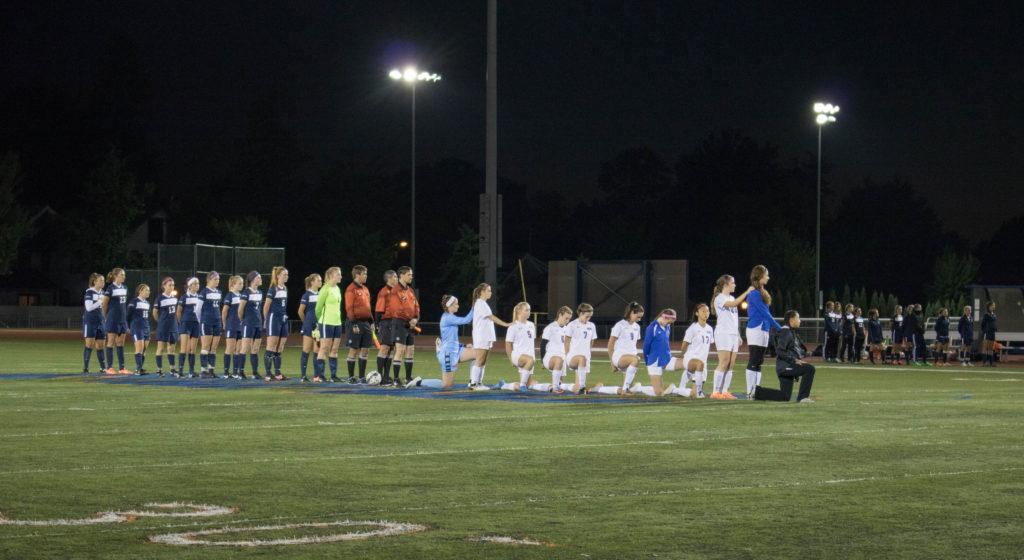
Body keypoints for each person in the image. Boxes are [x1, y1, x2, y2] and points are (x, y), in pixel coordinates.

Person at [406, 294, 474, 389]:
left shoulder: (450, 317)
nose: (458, 306)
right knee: (446, 385)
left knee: (477, 353)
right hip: (448, 353)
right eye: (456, 304)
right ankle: (419, 381)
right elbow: (467, 320)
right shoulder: (448, 318)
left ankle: (474, 383)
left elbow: (451, 339)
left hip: (455, 350)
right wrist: (475, 306)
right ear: (449, 306)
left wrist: (464, 345)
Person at [753, 310, 815, 403]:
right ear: (792, 320)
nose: (800, 321)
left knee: (784, 396)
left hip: (785, 367)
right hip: (785, 367)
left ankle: (757, 392)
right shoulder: (785, 332)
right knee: (809, 369)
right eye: (798, 318)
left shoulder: (789, 331)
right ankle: (803, 397)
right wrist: (794, 360)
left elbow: (794, 350)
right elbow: (780, 351)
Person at [711, 275, 752, 398]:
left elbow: (734, 319)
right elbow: (734, 303)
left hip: (733, 334)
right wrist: (747, 292)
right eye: (732, 283)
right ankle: (715, 392)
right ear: (725, 285)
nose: (734, 285)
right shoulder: (719, 298)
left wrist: (738, 334)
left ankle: (724, 391)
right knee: (724, 362)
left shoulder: (732, 297)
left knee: (731, 364)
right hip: (723, 333)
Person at [744, 265, 782, 397]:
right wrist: (779, 328)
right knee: (754, 360)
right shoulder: (754, 293)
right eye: (766, 275)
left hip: (763, 329)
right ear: (759, 276)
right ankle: (750, 391)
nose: (768, 277)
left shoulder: (761, 292)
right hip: (755, 329)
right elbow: (765, 313)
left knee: (759, 361)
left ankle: (756, 390)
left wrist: (774, 327)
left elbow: (767, 314)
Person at [638, 309, 693, 397]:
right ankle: (639, 388)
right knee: (659, 393)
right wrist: (647, 361)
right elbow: (646, 347)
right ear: (663, 317)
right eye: (668, 322)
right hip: (654, 363)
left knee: (690, 364)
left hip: (667, 360)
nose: (669, 324)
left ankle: (680, 388)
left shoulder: (667, 327)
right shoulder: (652, 328)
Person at [468, 283, 510, 389]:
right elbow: (491, 317)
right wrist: (505, 324)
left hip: (486, 336)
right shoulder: (480, 303)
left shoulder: (483, 303)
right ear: (482, 292)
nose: (490, 292)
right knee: (479, 360)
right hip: (482, 336)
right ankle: (473, 384)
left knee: (483, 361)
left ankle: (478, 383)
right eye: (488, 290)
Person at [384, 266, 421, 386]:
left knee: (410, 350)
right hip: (400, 324)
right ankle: (395, 379)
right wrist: (409, 320)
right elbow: (396, 309)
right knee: (400, 350)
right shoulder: (395, 291)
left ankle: (408, 378)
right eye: (409, 274)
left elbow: (416, 306)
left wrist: (415, 318)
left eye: (411, 274)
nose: (411, 276)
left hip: (410, 325)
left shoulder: (410, 290)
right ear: (402, 275)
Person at [602, 302, 644, 394]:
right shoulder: (620, 325)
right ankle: (625, 389)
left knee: (628, 386)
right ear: (632, 312)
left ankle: (598, 389)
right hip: (619, 357)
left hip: (630, 358)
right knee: (636, 360)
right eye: (638, 317)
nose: (640, 319)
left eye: (641, 317)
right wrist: (612, 362)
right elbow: (610, 345)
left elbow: (633, 345)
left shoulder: (637, 327)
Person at [496, 302, 539, 392]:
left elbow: (531, 342)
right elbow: (508, 345)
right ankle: (522, 385)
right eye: (526, 310)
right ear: (519, 311)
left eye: (529, 310)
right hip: (518, 356)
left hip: (530, 358)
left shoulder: (531, 325)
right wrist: (511, 359)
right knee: (530, 361)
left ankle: (504, 385)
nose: (529, 312)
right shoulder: (513, 326)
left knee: (531, 384)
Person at [679, 303, 716, 398]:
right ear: (697, 313)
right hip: (692, 359)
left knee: (693, 393)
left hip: (703, 362)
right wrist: (684, 357)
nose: (706, 313)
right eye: (703, 311)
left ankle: (677, 389)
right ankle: (696, 391)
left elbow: (708, 344)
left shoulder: (710, 329)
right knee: (698, 394)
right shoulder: (692, 328)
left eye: (707, 311)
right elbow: (684, 346)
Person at [345, 265, 374, 383]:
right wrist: (354, 323)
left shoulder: (365, 289)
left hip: (366, 323)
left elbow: (368, 307)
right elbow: (349, 308)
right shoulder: (351, 289)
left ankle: (362, 377)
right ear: (357, 275)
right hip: (355, 323)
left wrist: (371, 321)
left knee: (365, 350)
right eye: (364, 274)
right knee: (354, 350)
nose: (366, 276)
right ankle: (351, 377)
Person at [315, 266, 345, 383]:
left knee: (335, 349)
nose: (341, 276)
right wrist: (320, 321)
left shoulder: (337, 288)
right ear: (332, 275)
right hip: (326, 322)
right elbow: (318, 308)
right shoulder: (325, 289)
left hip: (337, 322)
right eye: (339, 274)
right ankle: (320, 375)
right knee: (324, 348)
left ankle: (333, 375)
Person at [563, 303, 598, 394]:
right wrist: (567, 355)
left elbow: (591, 340)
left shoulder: (592, 326)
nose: (588, 319)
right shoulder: (572, 325)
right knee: (581, 387)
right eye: (587, 316)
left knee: (577, 388)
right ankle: (582, 387)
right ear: (581, 313)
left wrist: (588, 352)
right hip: (573, 357)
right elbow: (566, 341)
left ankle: (562, 385)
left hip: (586, 357)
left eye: (590, 317)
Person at [101, 267, 130, 374]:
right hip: (112, 319)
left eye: (124, 275)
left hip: (122, 320)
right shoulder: (110, 288)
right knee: (111, 342)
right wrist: (105, 317)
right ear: (115, 276)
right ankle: (109, 367)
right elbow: (104, 304)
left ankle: (122, 368)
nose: (124, 276)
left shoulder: (125, 288)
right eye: (122, 274)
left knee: (121, 343)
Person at [263, 266, 289, 381]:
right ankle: (268, 374)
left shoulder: (285, 288)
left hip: (283, 320)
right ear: (278, 276)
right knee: (271, 346)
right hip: (274, 319)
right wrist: (266, 320)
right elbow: (266, 307)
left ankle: (278, 373)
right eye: (284, 274)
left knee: (280, 346)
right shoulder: (273, 289)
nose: (286, 276)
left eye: (287, 275)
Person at [540, 306, 575, 394]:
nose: (567, 321)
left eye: (569, 319)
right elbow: (543, 344)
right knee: (558, 361)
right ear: (560, 315)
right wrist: (542, 361)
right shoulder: (550, 327)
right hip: (550, 357)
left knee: (561, 384)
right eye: (566, 318)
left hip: (562, 359)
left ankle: (537, 386)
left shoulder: (567, 329)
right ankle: (554, 388)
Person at [238, 271, 265, 380]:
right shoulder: (246, 292)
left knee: (255, 349)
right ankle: (241, 372)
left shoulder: (259, 292)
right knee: (245, 348)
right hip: (248, 323)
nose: (261, 279)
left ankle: (255, 372)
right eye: (259, 277)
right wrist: (243, 320)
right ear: (253, 279)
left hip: (258, 324)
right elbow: (240, 310)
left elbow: (258, 309)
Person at [374, 270, 398, 384]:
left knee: (391, 350)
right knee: (384, 348)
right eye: (395, 276)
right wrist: (377, 324)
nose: (397, 278)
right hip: (386, 322)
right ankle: (379, 376)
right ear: (389, 278)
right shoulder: (384, 292)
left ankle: (387, 376)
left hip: (394, 322)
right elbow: (379, 310)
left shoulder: (396, 291)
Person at [297, 273, 322, 382]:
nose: (320, 282)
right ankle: (303, 376)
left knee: (317, 350)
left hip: (318, 326)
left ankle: (316, 376)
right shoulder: (306, 295)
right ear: (312, 282)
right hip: (308, 326)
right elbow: (300, 311)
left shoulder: (321, 294)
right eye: (318, 280)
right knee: (306, 350)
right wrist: (306, 322)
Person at [198, 272, 223, 378]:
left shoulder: (219, 292)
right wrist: (202, 321)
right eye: (215, 279)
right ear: (209, 280)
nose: (217, 281)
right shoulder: (204, 292)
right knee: (205, 346)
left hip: (217, 322)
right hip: (206, 322)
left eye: (218, 279)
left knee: (214, 347)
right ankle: (203, 371)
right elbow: (198, 309)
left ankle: (211, 370)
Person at [82, 273, 108, 373]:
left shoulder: (103, 293)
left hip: (100, 322)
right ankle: (85, 368)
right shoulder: (89, 293)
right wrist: (100, 301)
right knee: (89, 345)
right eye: (100, 280)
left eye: (103, 280)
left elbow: (103, 307)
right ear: (94, 282)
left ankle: (102, 368)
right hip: (90, 321)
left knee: (101, 346)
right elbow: (88, 308)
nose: (103, 282)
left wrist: (105, 318)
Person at [177, 277, 202, 378]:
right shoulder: (184, 297)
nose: (197, 285)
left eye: (198, 283)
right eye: (195, 284)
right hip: (186, 324)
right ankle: (180, 370)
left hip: (196, 324)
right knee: (184, 348)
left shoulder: (200, 297)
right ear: (190, 286)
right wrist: (181, 322)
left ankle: (191, 371)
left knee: (193, 349)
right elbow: (178, 311)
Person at [153, 277, 179, 376]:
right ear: (164, 286)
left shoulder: (174, 298)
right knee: (160, 348)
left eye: (173, 285)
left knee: (171, 348)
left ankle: (172, 369)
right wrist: (160, 322)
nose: (172, 287)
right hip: (163, 326)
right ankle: (159, 369)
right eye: (169, 285)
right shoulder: (159, 298)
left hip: (173, 326)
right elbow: (155, 312)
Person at [221, 275, 244, 378]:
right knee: (230, 348)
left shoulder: (242, 296)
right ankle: (226, 372)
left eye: (242, 283)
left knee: (238, 350)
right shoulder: (229, 296)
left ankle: (235, 372)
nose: (242, 285)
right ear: (233, 284)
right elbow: (224, 311)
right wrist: (225, 323)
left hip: (240, 326)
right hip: (231, 325)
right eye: (240, 283)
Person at [127, 284, 151, 375]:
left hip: (146, 328)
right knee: (139, 348)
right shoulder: (134, 302)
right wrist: (128, 327)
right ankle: (138, 369)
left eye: (149, 290)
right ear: (140, 291)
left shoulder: (147, 303)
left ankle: (140, 368)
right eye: (146, 290)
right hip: (137, 327)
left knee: (144, 349)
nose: (148, 292)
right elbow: (128, 316)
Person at [981, 301, 998, 367]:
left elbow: (994, 324)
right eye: (992, 305)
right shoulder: (986, 315)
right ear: (989, 306)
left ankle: (991, 362)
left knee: (991, 348)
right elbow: (982, 325)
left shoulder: (994, 314)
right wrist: (985, 331)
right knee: (985, 348)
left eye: (994, 305)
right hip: (987, 333)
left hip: (992, 333)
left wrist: (995, 328)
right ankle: (984, 362)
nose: (994, 306)